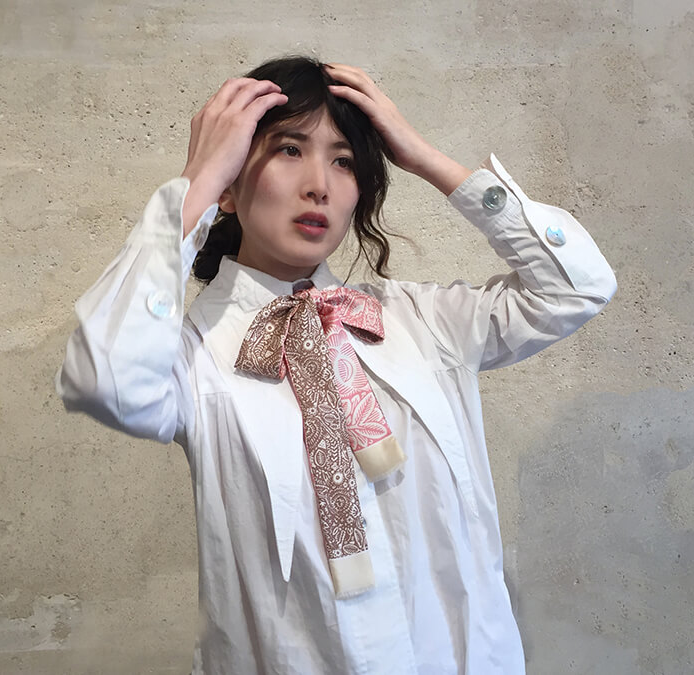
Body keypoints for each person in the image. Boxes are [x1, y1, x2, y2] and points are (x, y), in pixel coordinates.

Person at [56, 55, 616, 674]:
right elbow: (105, 379)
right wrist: (196, 182)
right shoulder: (195, 355)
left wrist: (429, 159)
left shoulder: (422, 321)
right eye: (288, 150)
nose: (319, 183)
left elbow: (577, 290)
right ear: (231, 186)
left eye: (344, 159)